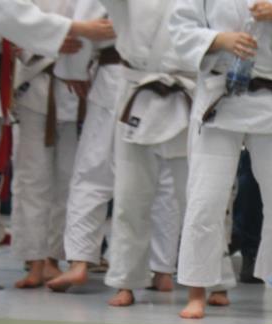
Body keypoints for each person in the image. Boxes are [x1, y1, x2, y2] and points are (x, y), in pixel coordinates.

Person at [168, 1, 272, 319]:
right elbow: (178, 30)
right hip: (219, 97)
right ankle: (197, 290)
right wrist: (219, 40)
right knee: (206, 198)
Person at [47, 0, 182, 294]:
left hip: (120, 77)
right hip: (176, 81)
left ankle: (80, 261)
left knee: (94, 171)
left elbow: (90, 14)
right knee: (165, 178)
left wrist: (73, 69)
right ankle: (162, 269)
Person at [97, 0, 194, 308]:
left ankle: (213, 280)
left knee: (198, 196)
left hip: (188, 87)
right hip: (137, 86)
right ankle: (126, 280)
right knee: (130, 195)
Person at [9, 0, 92, 289]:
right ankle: (34, 259)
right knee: (32, 178)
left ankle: (54, 258)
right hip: (34, 85)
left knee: (69, 180)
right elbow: (14, 22)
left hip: (75, 88)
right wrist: (46, 41)